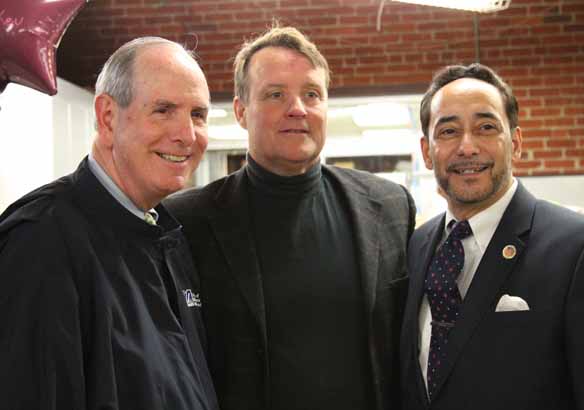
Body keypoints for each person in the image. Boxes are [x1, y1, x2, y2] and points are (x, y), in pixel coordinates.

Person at [165, 26, 416, 410]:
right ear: (240, 111)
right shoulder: (186, 222)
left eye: (312, 94)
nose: (297, 108)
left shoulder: (390, 206)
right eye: (275, 94)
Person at [0, 37, 219, 410]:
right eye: (164, 110)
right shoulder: (42, 241)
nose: (187, 135)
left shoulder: (166, 236)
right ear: (107, 116)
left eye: (197, 114)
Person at [400, 63, 584, 410]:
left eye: (486, 127)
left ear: (515, 142)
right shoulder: (416, 245)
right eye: (449, 131)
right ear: (427, 151)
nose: (467, 147)